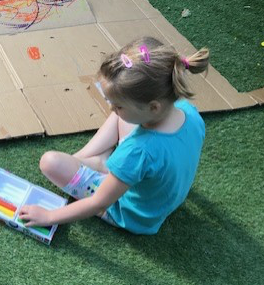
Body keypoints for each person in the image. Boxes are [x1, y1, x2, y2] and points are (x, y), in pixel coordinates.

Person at [19, 36, 210, 235]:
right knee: (125, 117)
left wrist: (49, 216)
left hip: (129, 214)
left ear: (154, 107)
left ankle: (94, 164)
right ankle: (85, 160)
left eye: (117, 105)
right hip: (160, 199)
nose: (111, 108)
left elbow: (98, 203)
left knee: (50, 163)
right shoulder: (189, 112)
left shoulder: (138, 152)